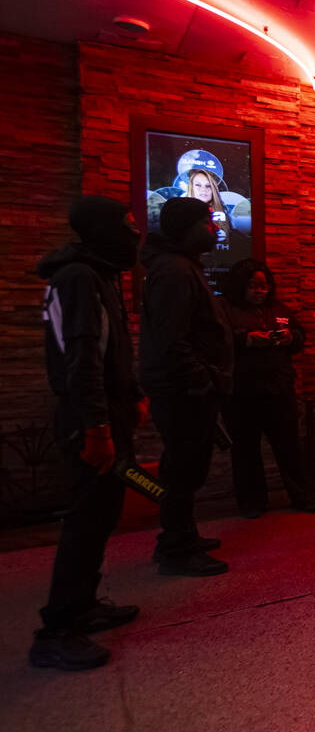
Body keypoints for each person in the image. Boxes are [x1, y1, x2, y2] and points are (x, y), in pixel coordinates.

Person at [29, 196, 145, 671]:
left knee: (101, 514)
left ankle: (84, 604)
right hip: (87, 418)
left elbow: (107, 347)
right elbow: (80, 359)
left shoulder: (99, 274)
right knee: (85, 519)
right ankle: (57, 629)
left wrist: (131, 392)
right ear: (102, 230)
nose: (136, 234)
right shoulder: (78, 277)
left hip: (106, 412)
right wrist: (97, 424)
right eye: (128, 225)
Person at [139, 197, 233, 577]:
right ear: (186, 227)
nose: (215, 228)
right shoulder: (175, 270)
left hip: (188, 387)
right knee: (181, 469)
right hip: (182, 390)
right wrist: (200, 379)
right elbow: (171, 339)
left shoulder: (181, 266)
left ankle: (182, 536)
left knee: (189, 467)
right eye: (208, 221)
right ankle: (177, 547)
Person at [219, 259, 315, 518]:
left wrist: (289, 337)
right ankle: (252, 503)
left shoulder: (278, 308)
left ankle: (304, 497)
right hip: (241, 393)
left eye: (264, 286)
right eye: (253, 286)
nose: (259, 291)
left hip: (278, 389)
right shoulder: (224, 309)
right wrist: (246, 340)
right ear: (240, 286)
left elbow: (300, 336)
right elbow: (214, 342)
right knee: (245, 451)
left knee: (290, 448)